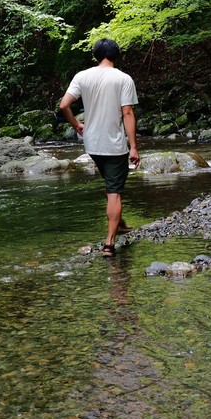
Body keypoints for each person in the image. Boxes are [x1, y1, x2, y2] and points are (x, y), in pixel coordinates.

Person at [59, 38, 140, 257]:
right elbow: (127, 113)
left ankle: (120, 223)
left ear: (96, 55)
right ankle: (109, 243)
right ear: (116, 55)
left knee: (110, 184)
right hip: (113, 146)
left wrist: (76, 125)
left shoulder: (82, 76)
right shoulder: (123, 79)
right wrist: (133, 146)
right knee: (114, 192)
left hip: (92, 144)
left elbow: (63, 105)